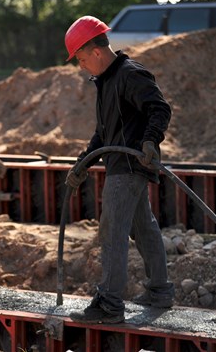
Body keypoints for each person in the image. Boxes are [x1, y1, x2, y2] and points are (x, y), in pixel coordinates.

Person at [64, 16, 175, 324]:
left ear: (96, 51)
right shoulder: (107, 82)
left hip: (129, 166)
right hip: (121, 164)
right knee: (143, 227)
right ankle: (159, 290)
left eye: (82, 59)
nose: (81, 66)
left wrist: (151, 141)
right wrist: (83, 162)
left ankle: (110, 304)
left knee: (112, 229)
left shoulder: (130, 75)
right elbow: (104, 134)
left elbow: (159, 108)